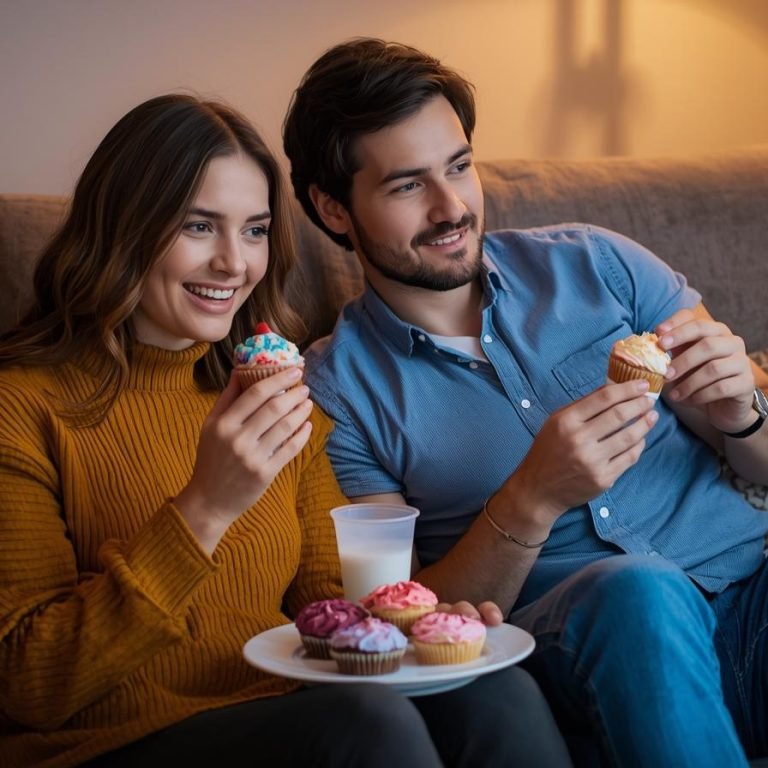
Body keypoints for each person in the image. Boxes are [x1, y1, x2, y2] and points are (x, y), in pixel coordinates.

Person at [0, 94, 572, 768]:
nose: (234, 264)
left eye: (254, 230)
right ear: (122, 226)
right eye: (198, 227)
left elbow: (330, 605)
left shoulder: (276, 393)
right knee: (367, 725)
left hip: (288, 711)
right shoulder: (22, 408)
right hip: (106, 743)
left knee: (496, 693)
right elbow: (28, 685)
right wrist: (206, 507)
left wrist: (426, 629)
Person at [283, 37, 768, 766]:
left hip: (754, 597)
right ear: (332, 207)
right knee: (637, 591)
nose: (452, 208)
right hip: (589, 640)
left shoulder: (599, 264)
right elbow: (397, 614)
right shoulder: (340, 395)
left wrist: (744, 419)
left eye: (459, 167)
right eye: (407, 185)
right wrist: (531, 499)